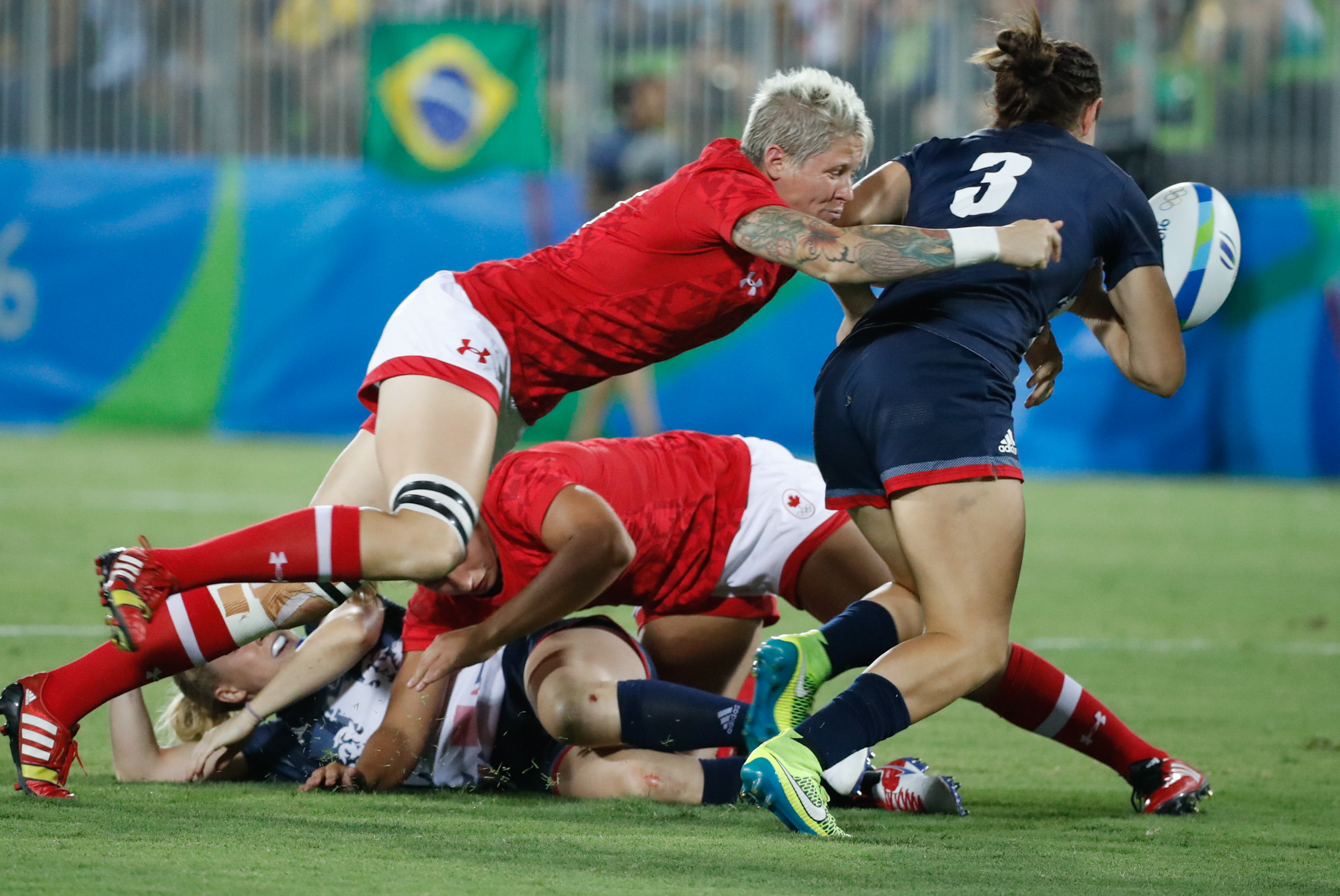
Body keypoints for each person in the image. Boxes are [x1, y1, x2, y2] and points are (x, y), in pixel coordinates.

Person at [88, 65, 1063, 674]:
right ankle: (160, 564)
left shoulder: (782, 232)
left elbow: (867, 287)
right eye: (834, 173)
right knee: (428, 544)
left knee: (323, 579)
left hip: (508, 372)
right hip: (475, 328)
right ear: (775, 158)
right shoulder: (729, 188)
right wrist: (996, 243)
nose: (845, 192)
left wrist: (1012, 328)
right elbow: (851, 258)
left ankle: (76, 683)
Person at [742, 12, 1207, 836]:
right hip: (946, 395)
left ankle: (811, 654)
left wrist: (885, 310)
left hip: (848, 391)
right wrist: (1086, 292)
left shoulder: (939, 154)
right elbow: (1160, 369)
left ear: (1006, 103)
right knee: (975, 643)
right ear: (1090, 112)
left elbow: (829, 233)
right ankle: (803, 752)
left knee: (930, 596)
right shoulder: (1110, 189)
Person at [106, 593, 965, 814]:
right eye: (243, 640)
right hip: (522, 765)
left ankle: (770, 731)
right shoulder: (271, 752)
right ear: (221, 685)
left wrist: (255, 713)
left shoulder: (330, 626)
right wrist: (126, 659)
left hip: (528, 658)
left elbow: (365, 614)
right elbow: (140, 769)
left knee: (574, 705)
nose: (265, 624)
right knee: (626, 785)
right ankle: (847, 775)